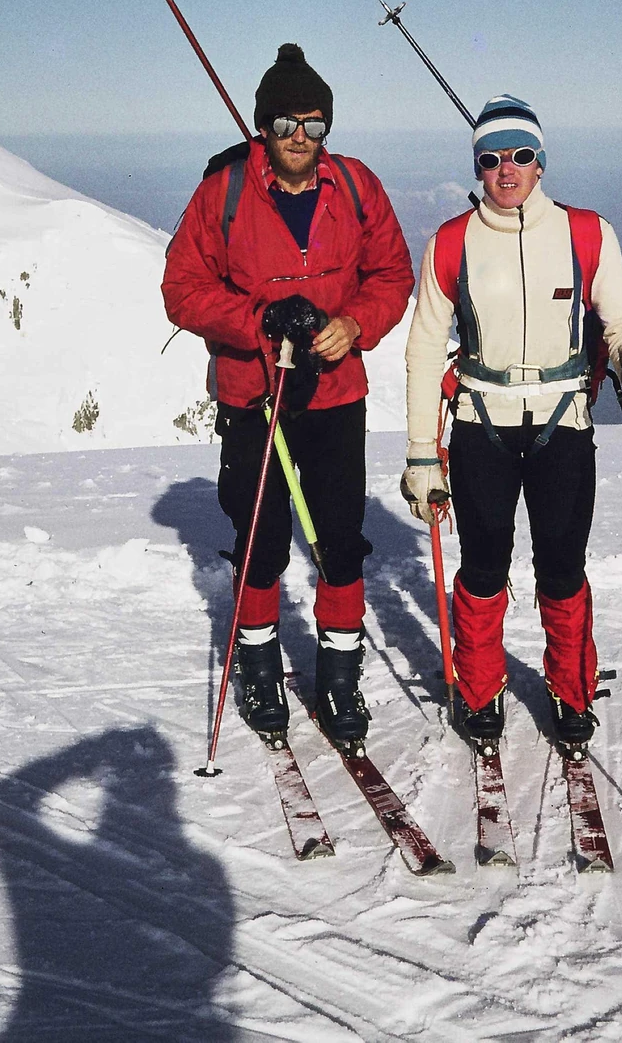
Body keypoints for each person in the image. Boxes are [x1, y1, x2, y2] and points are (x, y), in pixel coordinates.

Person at [162, 44, 413, 748]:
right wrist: (256, 320)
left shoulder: (356, 186)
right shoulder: (227, 190)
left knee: (340, 542)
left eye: (314, 122)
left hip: (335, 394)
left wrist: (355, 323)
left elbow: (393, 273)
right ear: (263, 127)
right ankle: (261, 664)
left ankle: (339, 676)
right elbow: (181, 289)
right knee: (262, 540)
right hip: (255, 394)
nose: (300, 136)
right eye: (284, 123)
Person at [400, 96, 622, 753]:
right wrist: (420, 456)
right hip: (480, 425)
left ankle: (570, 690)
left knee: (561, 564)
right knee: (484, 564)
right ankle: (481, 687)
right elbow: (423, 350)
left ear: (541, 162)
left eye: (520, 155)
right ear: (478, 167)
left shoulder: (586, 234)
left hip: (564, 423)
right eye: (490, 159)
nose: (506, 169)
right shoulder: (452, 243)